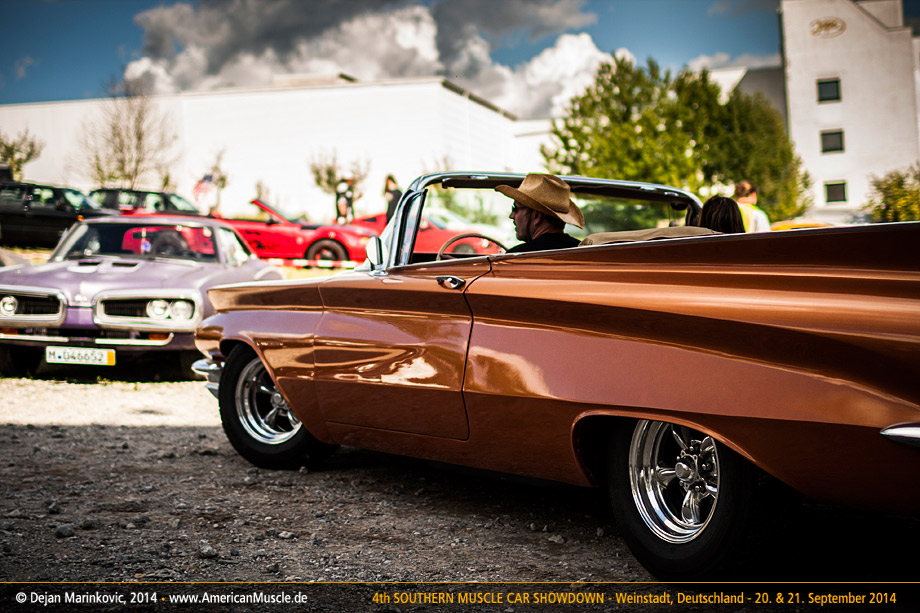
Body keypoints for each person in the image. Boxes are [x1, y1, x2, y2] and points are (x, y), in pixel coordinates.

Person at [495, 173, 584, 253]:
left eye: (516, 208)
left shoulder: (517, 256)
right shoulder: (583, 251)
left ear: (537, 216)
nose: (511, 215)